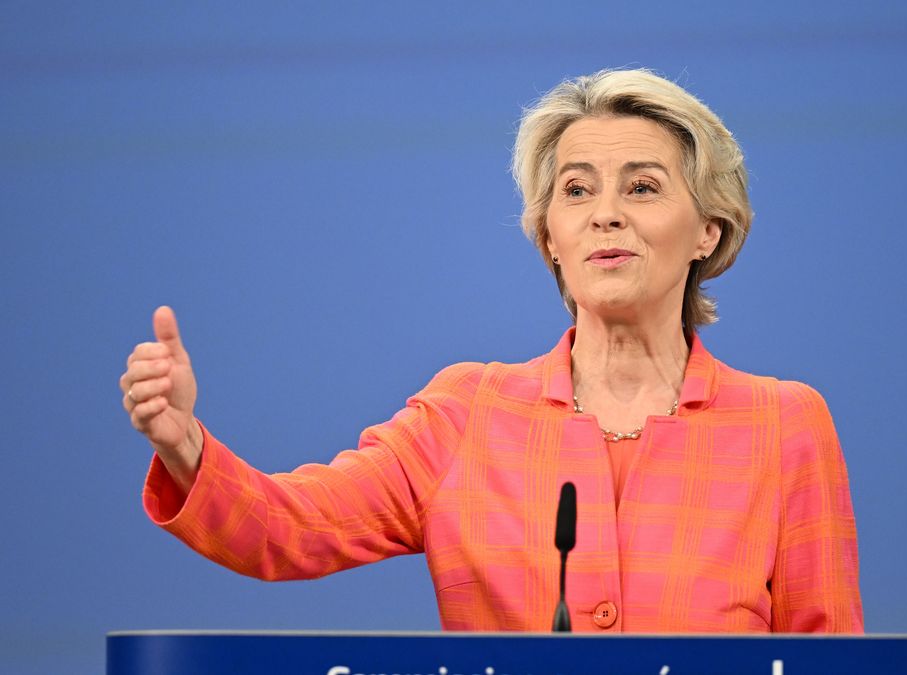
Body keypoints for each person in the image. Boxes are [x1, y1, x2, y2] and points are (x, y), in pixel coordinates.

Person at [120, 68, 863, 633]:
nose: (605, 214)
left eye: (641, 187)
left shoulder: (783, 425)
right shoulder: (467, 412)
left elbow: (836, 661)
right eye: (576, 191)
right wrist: (186, 444)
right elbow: (289, 529)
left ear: (709, 229)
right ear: (549, 237)